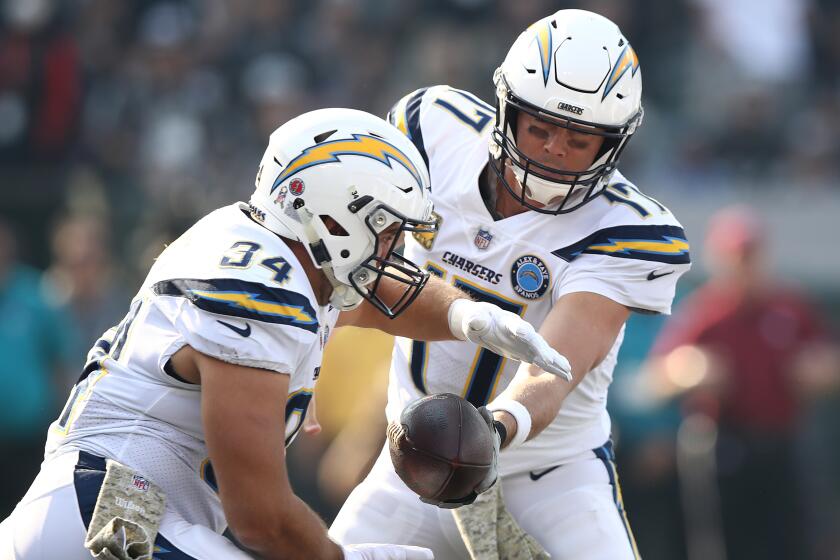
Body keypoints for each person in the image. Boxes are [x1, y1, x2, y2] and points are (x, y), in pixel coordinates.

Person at [0, 108, 571, 560]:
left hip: (130, 508)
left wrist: (466, 317)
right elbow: (262, 520)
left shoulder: (283, 257)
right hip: (112, 512)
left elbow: (387, 297)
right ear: (334, 220)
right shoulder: (260, 287)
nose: (397, 251)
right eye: (388, 231)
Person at [330, 9, 691, 560]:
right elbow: (347, 270)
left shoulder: (629, 228)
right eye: (540, 128)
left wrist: (490, 435)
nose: (552, 151)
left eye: (577, 140)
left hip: (547, 476)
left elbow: (556, 367)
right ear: (507, 109)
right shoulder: (434, 131)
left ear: (611, 145)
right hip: (412, 462)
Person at [645, 205, 840, 560]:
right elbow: (656, 378)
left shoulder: (791, 307)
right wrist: (689, 371)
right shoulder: (704, 311)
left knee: (792, 543)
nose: (743, 266)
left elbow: (828, 362)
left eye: (750, 256)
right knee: (724, 546)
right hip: (723, 445)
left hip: (782, 441)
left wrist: (819, 370)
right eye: (735, 257)